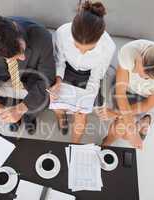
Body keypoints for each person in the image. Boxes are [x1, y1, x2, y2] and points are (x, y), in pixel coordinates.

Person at [97, 39, 154, 149]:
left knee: (123, 130)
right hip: (124, 87)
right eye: (138, 63)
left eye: (144, 76)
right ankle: (107, 142)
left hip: (142, 97)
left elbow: (147, 104)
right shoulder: (130, 50)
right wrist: (132, 130)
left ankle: (106, 143)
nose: (135, 71)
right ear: (144, 52)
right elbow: (120, 91)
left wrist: (117, 114)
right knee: (124, 129)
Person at [49, 0, 116, 143]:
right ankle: (61, 116)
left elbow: (97, 76)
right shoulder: (62, 32)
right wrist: (58, 80)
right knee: (56, 100)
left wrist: (86, 97)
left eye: (89, 49)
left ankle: (75, 143)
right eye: (76, 46)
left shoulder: (108, 46)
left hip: (89, 75)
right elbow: (59, 60)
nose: (82, 52)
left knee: (81, 114)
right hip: (66, 68)